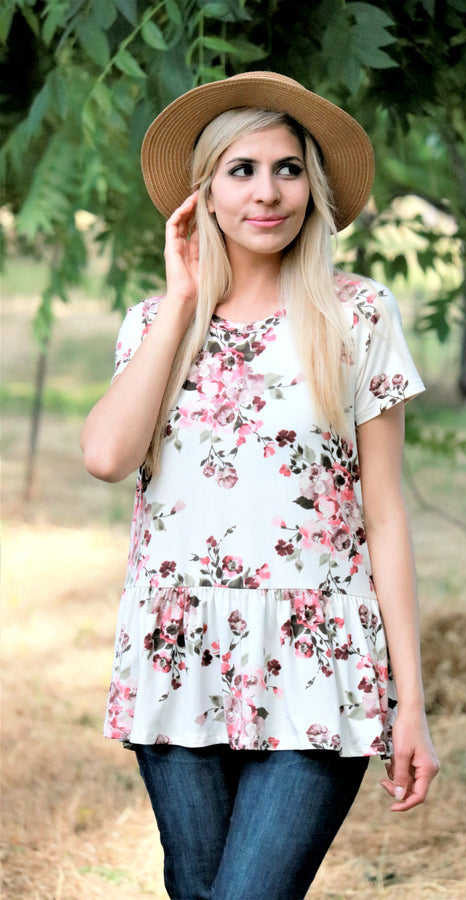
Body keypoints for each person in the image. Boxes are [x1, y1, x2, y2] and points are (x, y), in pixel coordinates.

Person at [81, 70, 439, 900]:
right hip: (182, 656)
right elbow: (105, 456)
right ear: (203, 193)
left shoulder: (356, 316)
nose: (267, 193)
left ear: (313, 187)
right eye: (242, 170)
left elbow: (384, 519)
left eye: (287, 169)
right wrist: (181, 301)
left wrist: (410, 703)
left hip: (321, 660)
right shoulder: (154, 321)